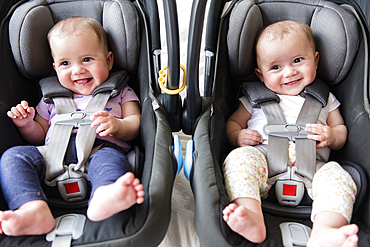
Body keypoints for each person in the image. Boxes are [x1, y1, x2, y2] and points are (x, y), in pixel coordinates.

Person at [0, 16, 144, 236]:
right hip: (50, 162)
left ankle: (104, 197)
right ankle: (32, 208)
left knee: (111, 162)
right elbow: (40, 136)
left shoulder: (121, 92)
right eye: (65, 63)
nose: (77, 70)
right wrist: (27, 124)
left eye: (87, 59)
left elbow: (135, 124)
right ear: (55, 67)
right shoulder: (50, 99)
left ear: (109, 60)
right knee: (13, 157)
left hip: (99, 152)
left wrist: (118, 125)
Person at [222, 20, 358, 247]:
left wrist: (331, 136)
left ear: (315, 60)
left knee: (340, 178)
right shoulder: (253, 99)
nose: (289, 72)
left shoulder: (325, 99)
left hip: (314, 168)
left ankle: (325, 230)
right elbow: (232, 123)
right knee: (238, 159)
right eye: (275, 67)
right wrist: (237, 136)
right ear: (260, 74)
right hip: (262, 162)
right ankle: (250, 213)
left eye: (298, 60)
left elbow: (341, 130)